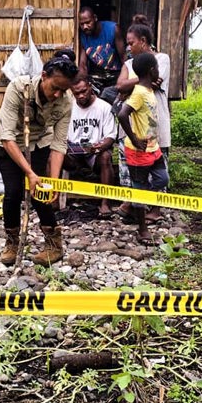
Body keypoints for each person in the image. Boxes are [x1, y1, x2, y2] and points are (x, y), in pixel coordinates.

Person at [0, 51, 79, 266]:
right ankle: (12, 242)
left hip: (38, 144)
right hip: (8, 146)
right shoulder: (18, 89)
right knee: (13, 193)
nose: (58, 94)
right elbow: (7, 137)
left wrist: (54, 181)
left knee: (42, 193)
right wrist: (29, 173)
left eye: (63, 90)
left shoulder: (66, 101)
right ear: (44, 76)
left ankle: (54, 244)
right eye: (55, 88)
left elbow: (59, 144)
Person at [114, 16, 171, 222]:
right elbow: (119, 86)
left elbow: (155, 82)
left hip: (155, 122)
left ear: (144, 41)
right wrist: (142, 78)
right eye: (127, 44)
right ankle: (133, 205)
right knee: (130, 168)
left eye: (132, 43)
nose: (128, 48)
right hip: (132, 125)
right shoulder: (128, 63)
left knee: (158, 165)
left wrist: (130, 83)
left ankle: (154, 209)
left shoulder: (161, 59)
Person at [116, 53, 169, 244]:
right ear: (152, 70)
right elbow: (122, 114)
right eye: (157, 68)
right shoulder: (138, 92)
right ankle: (142, 229)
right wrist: (134, 139)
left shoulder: (149, 90)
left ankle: (137, 200)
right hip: (138, 151)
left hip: (153, 148)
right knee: (139, 189)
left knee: (162, 179)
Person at [63, 78, 117, 217]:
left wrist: (101, 146)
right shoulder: (68, 107)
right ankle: (55, 199)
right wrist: (69, 146)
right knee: (56, 154)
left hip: (96, 152)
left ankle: (105, 203)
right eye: (77, 93)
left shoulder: (104, 107)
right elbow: (62, 135)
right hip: (74, 150)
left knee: (106, 157)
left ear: (90, 87)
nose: (81, 96)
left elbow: (110, 136)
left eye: (84, 91)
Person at [77, 6, 126, 93]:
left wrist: (126, 79)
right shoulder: (82, 35)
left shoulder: (113, 29)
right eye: (82, 24)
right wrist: (82, 82)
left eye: (88, 22)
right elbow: (83, 64)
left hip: (115, 75)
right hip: (97, 76)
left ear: (95, 18)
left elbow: (123, 57)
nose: (85, 27)